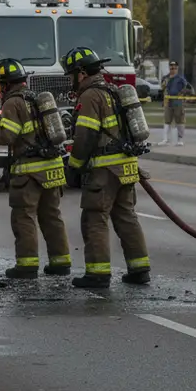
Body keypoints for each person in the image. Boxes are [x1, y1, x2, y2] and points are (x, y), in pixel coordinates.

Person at [63, 47, 149, 289]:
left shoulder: (91, 96)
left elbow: (85, 137)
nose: (70, 80)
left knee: (94, 218)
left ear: (81, 74)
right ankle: (139, 269)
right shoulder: (112, 90)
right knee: (126, 217)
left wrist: (75, 166)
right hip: (127, 166)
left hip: (104, 170)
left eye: (71, 75)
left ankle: (97, 274)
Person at [0, 58, 71, 279]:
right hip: (53, 166)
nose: (0, 89)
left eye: (0, 84)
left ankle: (27, 266)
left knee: (24, 217)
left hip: (30, 170)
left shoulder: (13, 103)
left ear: (6, 84)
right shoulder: (37, 98)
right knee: (52, 217)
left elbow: (7, 136)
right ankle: (61, 263)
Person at [156, 61, 191, 146]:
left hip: (178, 102)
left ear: (177, 68)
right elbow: (162, 88)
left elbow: (188, 88)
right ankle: (165, 139)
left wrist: (182, 93)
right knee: (167, 120)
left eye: (174, 67)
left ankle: (180, 139)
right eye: (171, 67)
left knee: (179, 121)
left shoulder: (180, 78)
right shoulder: (166, 78)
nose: (173, 68)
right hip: (168, 101)